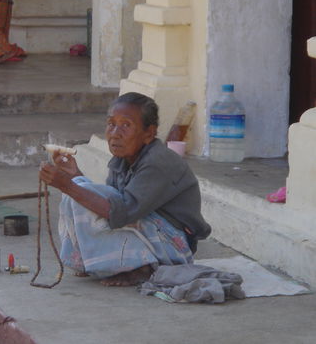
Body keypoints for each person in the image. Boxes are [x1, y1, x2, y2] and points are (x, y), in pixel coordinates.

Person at [39, 92, 212, 286]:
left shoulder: (158, 162)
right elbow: (109, 203)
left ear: (148, 133)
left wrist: (68, 185)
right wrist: (74, 174)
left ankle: (141, 267)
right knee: (80, 195)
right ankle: (100, 262)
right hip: (150, 230)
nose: (115, 133)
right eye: (111, 124)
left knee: (79, 193)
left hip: (175, 246)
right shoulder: (122, 160)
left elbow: (119, 213)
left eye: (126, 125)